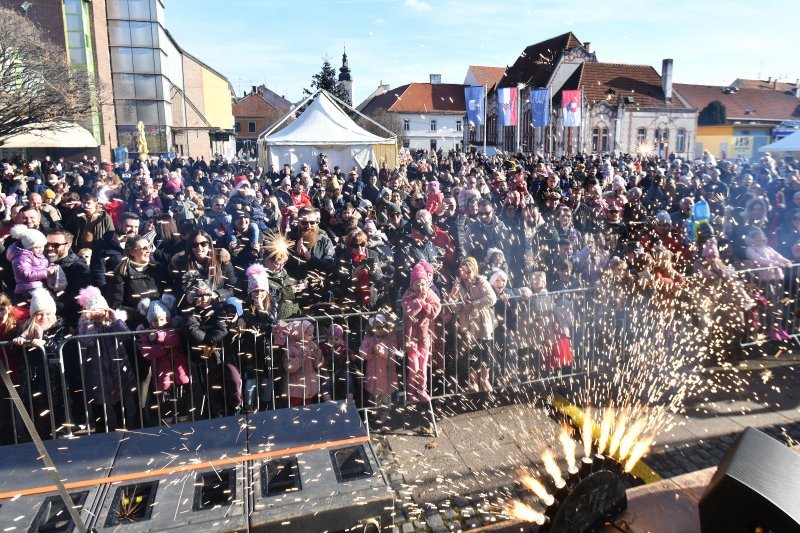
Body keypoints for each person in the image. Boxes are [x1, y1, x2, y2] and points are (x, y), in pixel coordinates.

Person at [76, 286, 137, 432]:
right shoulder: (87, 326)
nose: (99, 314)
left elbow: (125, 335)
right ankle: (101, 430)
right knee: (98, 402)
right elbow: (86, 341)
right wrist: (87, 321)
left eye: (101, 310)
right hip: (97, 371)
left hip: (117, 369)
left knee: (120, 400)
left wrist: (115, 319)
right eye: (95, 311)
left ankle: (122, 426)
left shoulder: (113, 324)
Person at [450, 257, 497, 392]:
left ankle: (485, 379)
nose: (466, 274)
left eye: (469, 271)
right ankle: (473, 381)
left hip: (483, 322)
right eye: (464, 271)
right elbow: (455, 307)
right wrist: (453, 299)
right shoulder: (458, 284)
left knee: (486, 351)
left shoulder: (480, 280)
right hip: (468, 323)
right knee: (472, 352)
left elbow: (491, 298)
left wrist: (474, 304)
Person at [401, 262, 441, 402]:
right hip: (411, 338)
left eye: (423, 283)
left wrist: (425, 304)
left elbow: (435, 309)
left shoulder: (429, 293)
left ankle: (422, 390)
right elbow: (408, 311)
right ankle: (411, 391)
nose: (420, 287)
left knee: (423, 368)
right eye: (417, 284)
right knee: (414, 367)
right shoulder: (408, 294)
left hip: (424, 337)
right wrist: (419, 301)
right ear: (412, 284)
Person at [138, 298, 189, 398]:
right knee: (165, 398)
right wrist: (163, 349)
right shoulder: (147, 333)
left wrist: (158, 337)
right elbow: (146, 352)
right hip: (160, 371)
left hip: (178, 369)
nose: (159, 323)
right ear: (150, 321)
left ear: (167, 318)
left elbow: (175, 339)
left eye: (162, 319)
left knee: (182, 398)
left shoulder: (173, 327)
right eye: (155, 320)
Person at [170, 229, 237, 304]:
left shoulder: (222, 260)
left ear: (209, 245)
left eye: (203, 244)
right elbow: (176, 289)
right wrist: (187, 297)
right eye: (194, 245)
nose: (199, 248)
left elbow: (232, 288)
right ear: (190, 247)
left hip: (217, 305)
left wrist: (216, 294)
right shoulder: (181, 263)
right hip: (192, 308)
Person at [359, 314, 400, 423]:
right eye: (378, 327)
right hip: (374, 373)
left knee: (386, 396)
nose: (381, 330)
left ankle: (385, 413)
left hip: (387, 372)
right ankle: (376, 413)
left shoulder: (390, 337)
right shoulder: (368, 339)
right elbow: (362, 353)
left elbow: (393, 352)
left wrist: (381, 351)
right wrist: (371, 350)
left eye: (383, 326)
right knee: (375, 395)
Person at [284, 319, 324, 407]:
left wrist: (317, 354)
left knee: (308, 409)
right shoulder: (290, 348)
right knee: (295, 411)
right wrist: (303, 354)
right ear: (300, 335)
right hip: (295, 389)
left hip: (309, 387)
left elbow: (318, 365)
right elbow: (290, 367)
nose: (313, 337)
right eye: (310, 335)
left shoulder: (310, 346)